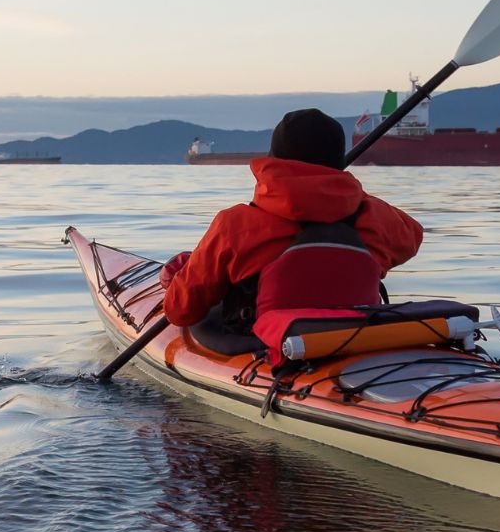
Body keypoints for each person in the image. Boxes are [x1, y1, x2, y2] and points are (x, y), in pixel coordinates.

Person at [160, 107, 424, 356]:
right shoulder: (376, 218)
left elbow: (180, 312)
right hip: (354, 340)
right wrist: (342, 193)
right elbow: (413, 236)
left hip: (263, 347)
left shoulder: (234, 224)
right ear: (337, 160)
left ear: (273, 158)